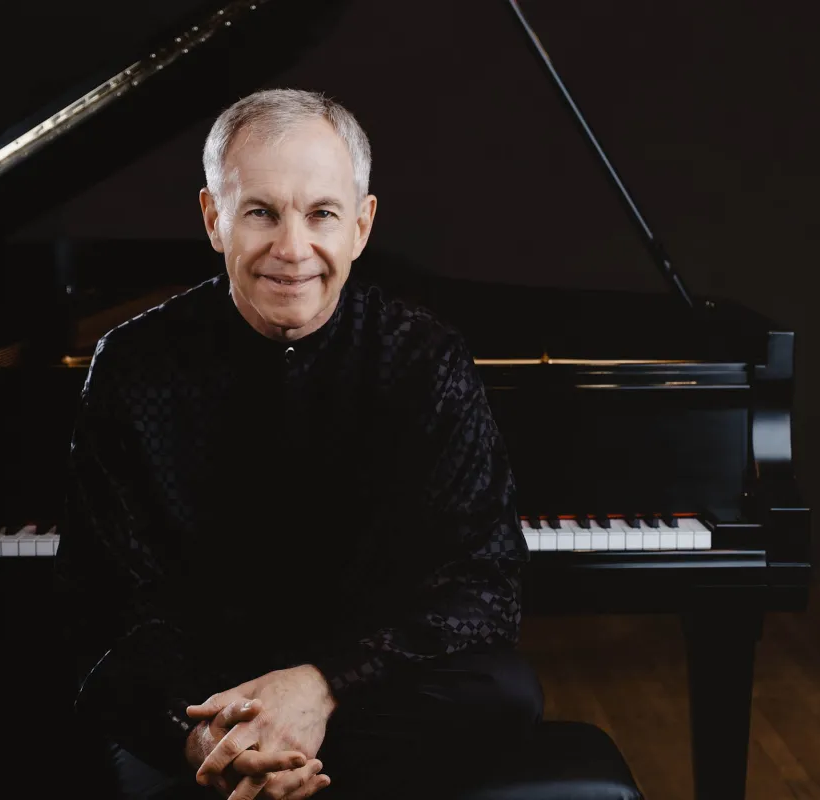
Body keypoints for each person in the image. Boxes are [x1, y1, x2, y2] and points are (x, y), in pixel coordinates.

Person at [54, 88, 542, 800]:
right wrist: (201, 735)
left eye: (321, 214)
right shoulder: (133, 364)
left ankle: (258, 773)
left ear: (361, 226)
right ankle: (246, 765)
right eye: (260, 212)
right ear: (214, 218)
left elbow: (486, 586)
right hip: (204, 692)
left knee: (504, 690)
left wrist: (320, 687)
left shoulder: (425, 358)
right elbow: (106, 599)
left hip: (363, 691)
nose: (291, 249)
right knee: (100, 692)